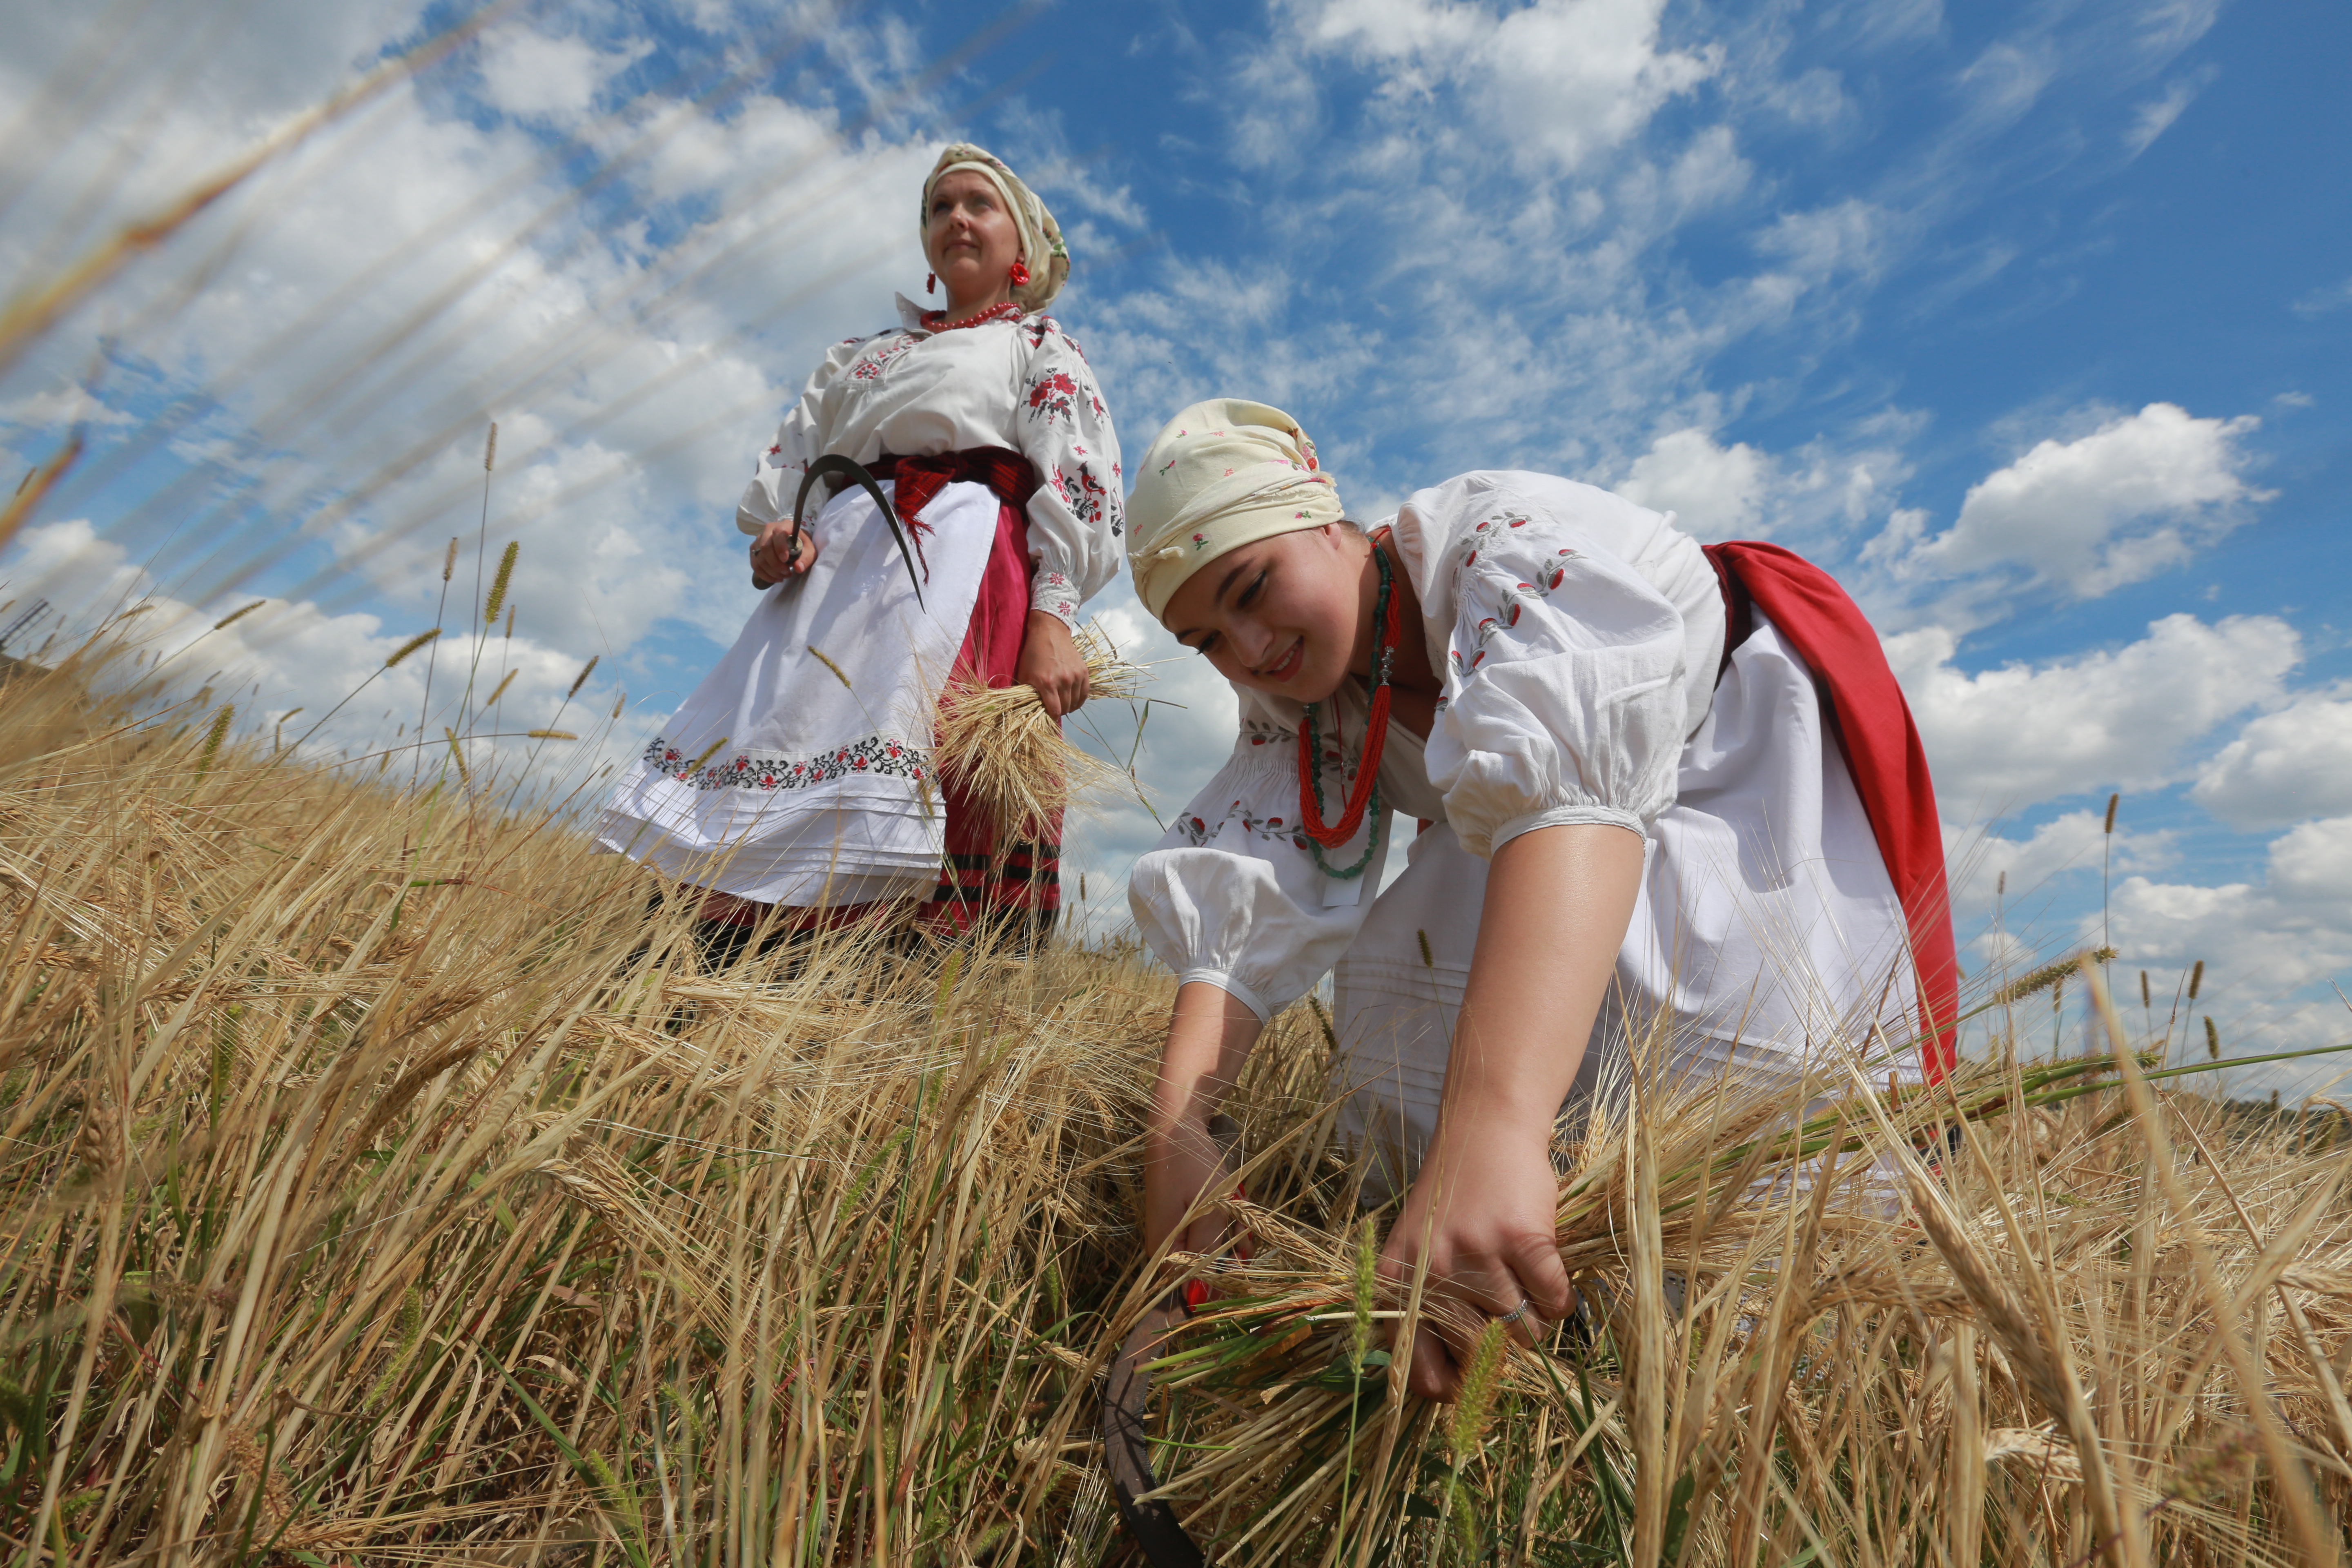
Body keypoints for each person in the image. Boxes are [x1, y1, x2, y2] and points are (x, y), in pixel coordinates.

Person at [1123, 399, 1956, 1400]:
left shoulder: (1495, 546)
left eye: (1252, 588)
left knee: (1704, 1011)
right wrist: (1181, 1127)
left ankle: (1748, 1367)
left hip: (1721, 767)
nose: (1250, 649)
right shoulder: (1304, 696)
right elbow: (1254, 890)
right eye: (1206, 639)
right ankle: (1513, 1299)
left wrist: (1494, 1128)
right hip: (1537, 833)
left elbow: (1576, 798)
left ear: (1324, 519)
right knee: (1406, 993)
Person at [599, 145, 1123, 951]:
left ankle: (901, 962)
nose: (956, 217)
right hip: (836, 579)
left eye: (978, 204)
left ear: (1022, 250)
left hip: (964, 570)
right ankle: (736, 943)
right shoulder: (859, 357)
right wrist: (782, 535)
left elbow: (1077, 480)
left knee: (930, 742)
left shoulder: (1038, 347)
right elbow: (795, 476)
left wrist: (1053, 616)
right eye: (939, 206)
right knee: (793, 732)